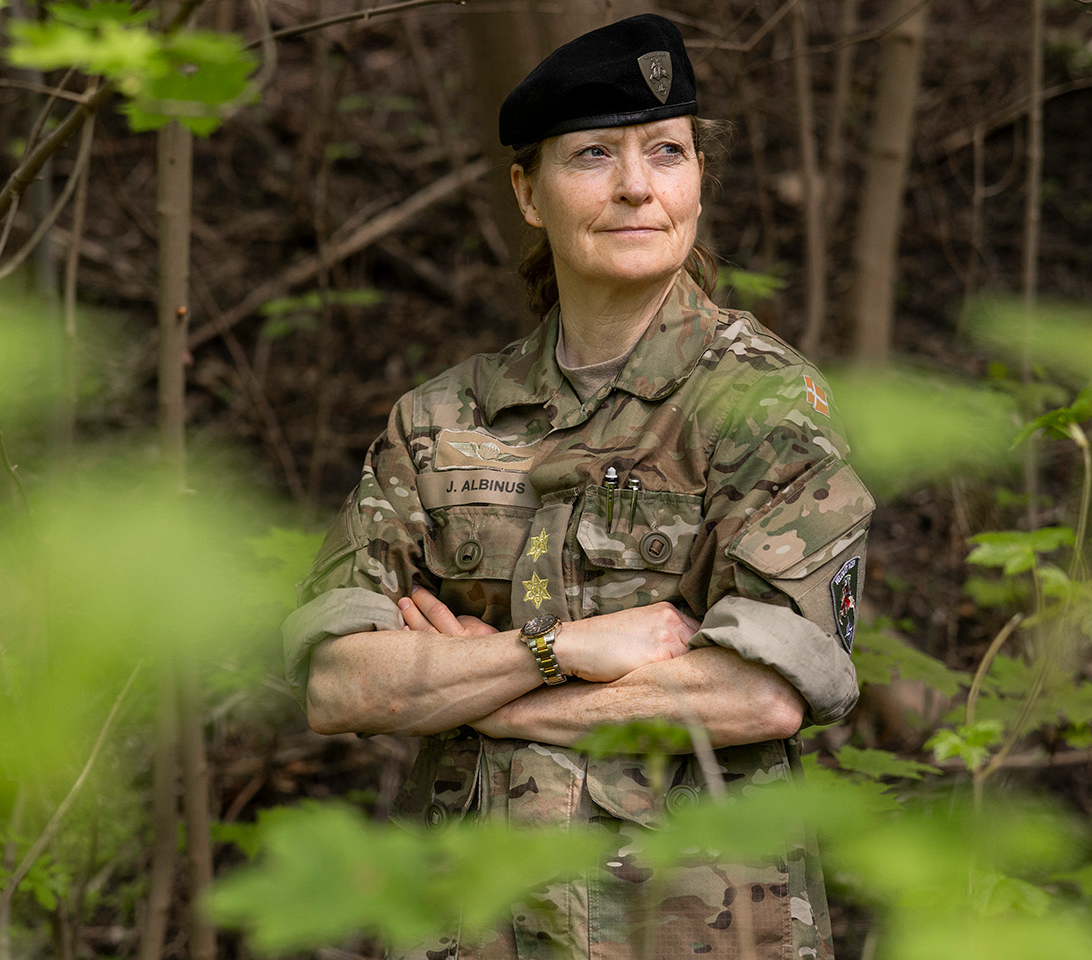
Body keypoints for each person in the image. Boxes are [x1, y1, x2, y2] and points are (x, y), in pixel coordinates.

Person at [281, 14, 872, 959]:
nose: (637, 187)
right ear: (528, 191)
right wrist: (569, 649)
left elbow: (761, 695)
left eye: (667, 153)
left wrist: (486, 693)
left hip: (691, 930)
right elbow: (340, 683)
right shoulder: (438, 423)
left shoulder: (760, 404)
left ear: (698, 180)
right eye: (594, 154)